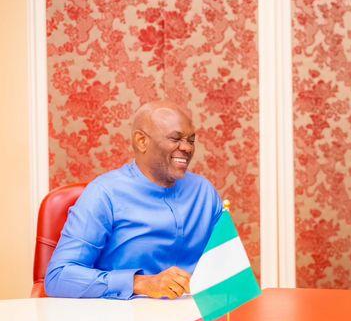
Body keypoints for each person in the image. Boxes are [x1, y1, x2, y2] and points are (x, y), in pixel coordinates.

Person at [45, 100, 222, 299]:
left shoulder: (204, 192)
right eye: (176, 138)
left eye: (191, 140)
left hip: (196, 320)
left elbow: (227, 270)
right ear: (141, 141)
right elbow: (58, 277)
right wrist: (140, 283)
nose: (187, 148)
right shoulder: (104, 193)